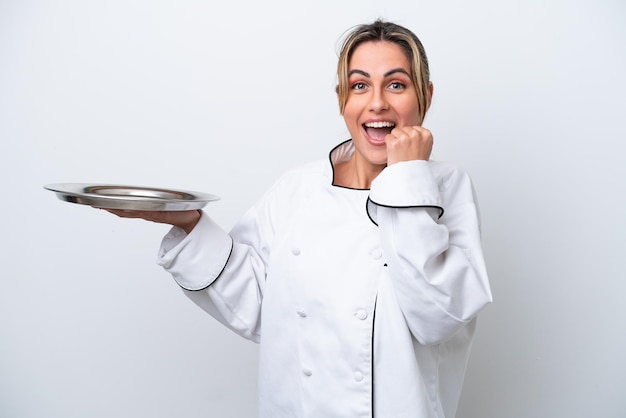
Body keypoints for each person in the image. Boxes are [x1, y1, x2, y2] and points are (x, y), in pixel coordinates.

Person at [105, 19, 492, 418]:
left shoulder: (444, 187)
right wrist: (190, 225)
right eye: (359, 85)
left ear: (425, 95)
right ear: (342, 98)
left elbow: (437, 317)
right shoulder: (297, 188)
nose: (377, 102)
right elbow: (260, 308)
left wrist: (409, 178)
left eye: (396, 84)